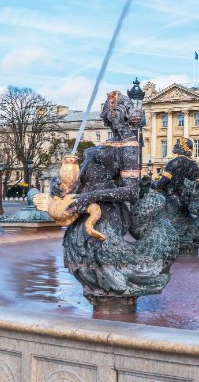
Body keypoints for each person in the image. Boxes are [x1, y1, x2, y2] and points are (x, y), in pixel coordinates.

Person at [58, 90, 178, 303]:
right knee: (83, 255)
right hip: (86, 210)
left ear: (125, 112)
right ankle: (103, 304)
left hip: (107, 213)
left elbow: (131, 190)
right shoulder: (108, 142)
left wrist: (90, 196)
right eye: (109, 106)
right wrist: (67, 187)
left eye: (116, 106)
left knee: (105, 260)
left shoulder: (130, 144)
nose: (111, 109)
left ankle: (116, 307)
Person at [152, 137, 199, 250]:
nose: (174, 146)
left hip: (171, 199)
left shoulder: (174, 162)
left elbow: (161, 183)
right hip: (186, 201)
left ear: (183, 147)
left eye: (176, 144)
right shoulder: (195, 165)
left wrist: (150, 185)